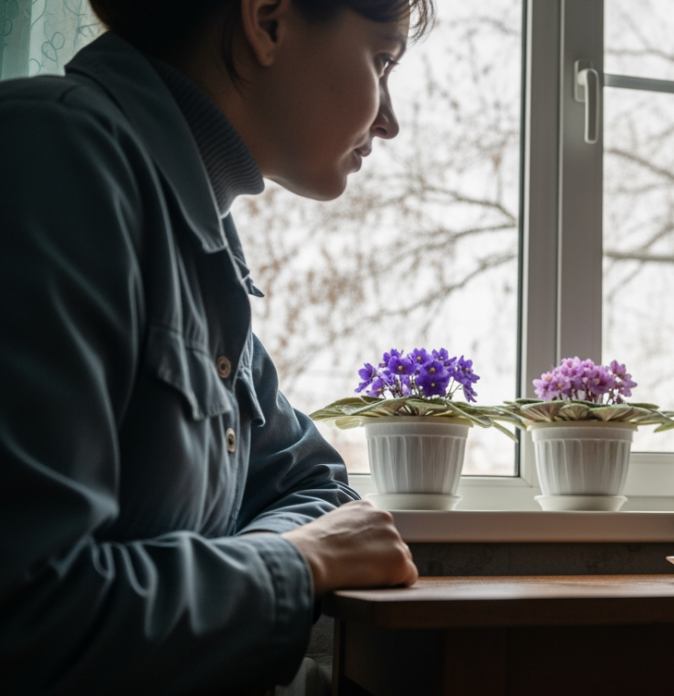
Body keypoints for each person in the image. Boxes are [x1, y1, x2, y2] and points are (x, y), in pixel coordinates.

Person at [0, 1, 434, 692]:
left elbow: (315, 485)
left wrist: (272, 554)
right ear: (267, 21)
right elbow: (29, 614)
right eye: (381, 61)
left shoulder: (200, 244)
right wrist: (295, 566)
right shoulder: (53, 156)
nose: (390, 119)